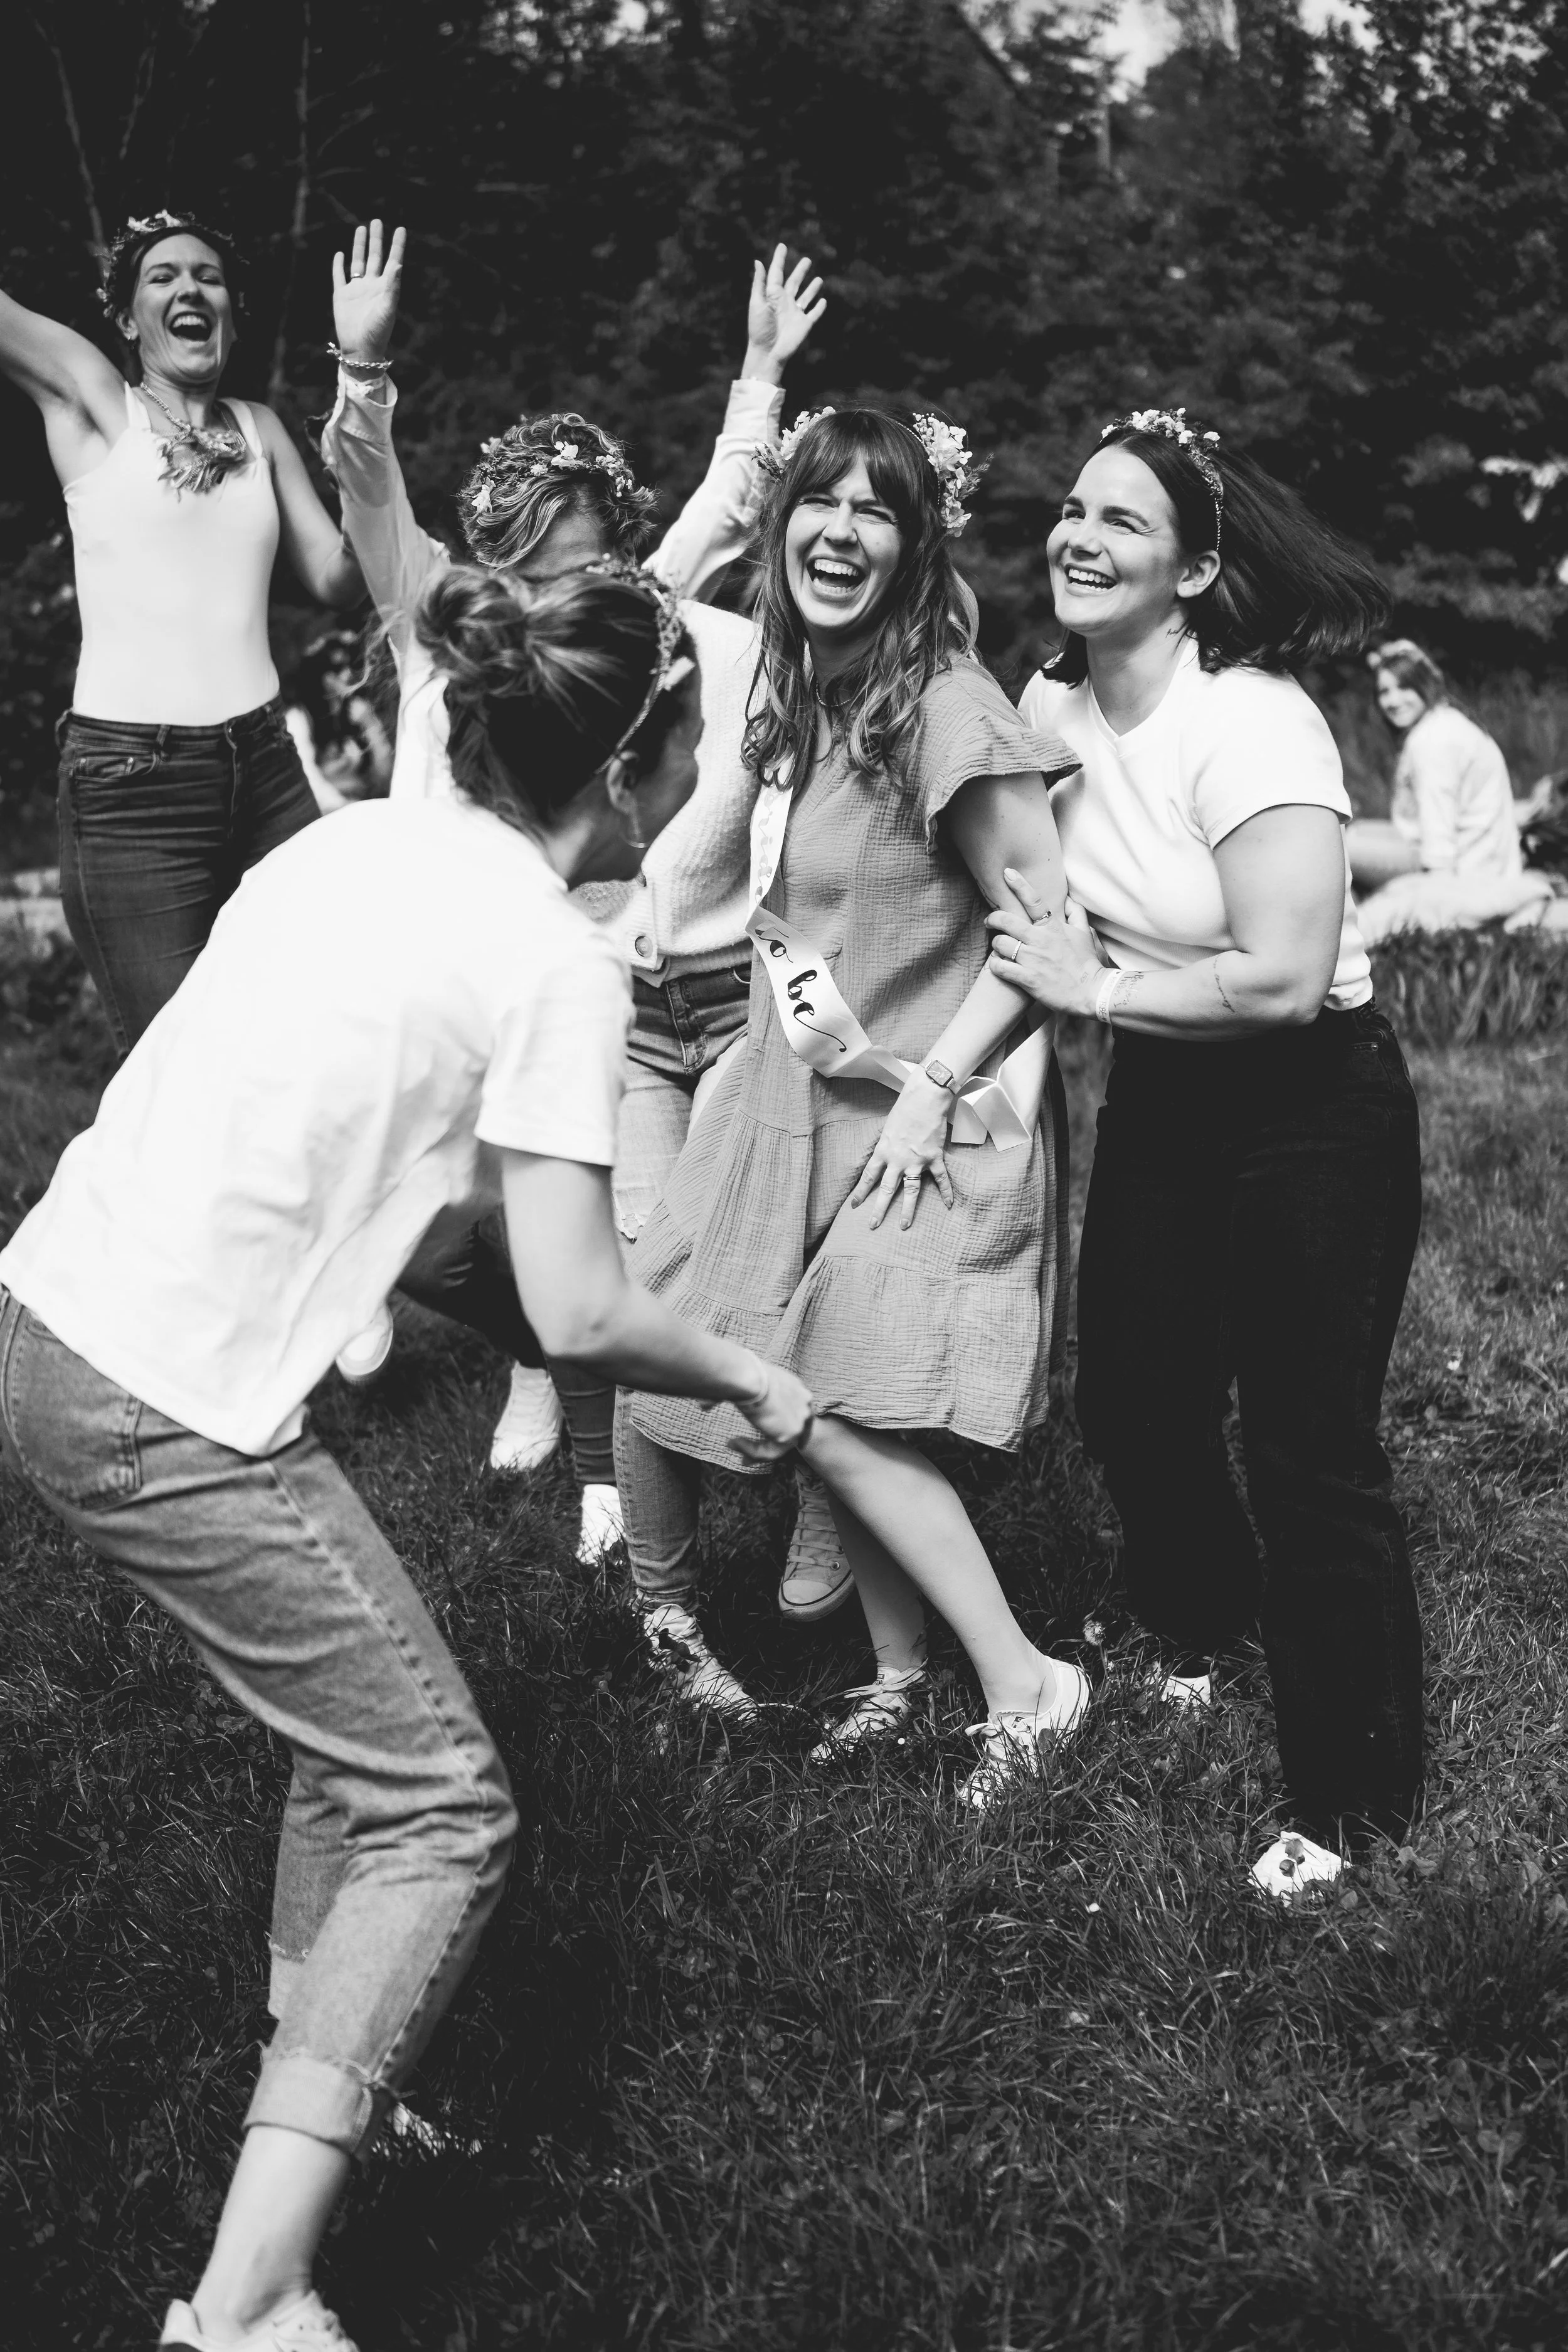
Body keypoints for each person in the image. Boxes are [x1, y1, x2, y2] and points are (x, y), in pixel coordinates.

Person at [0, 561, 813, 2352]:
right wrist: (747, 1367)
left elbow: (376, 1160)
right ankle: (250, 2292)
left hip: (50, 1310)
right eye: (702, 739)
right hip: (168, 1401)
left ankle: (330, 2060)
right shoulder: (554, 965)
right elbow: (585, 1309)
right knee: (444, 1801)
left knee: (345, 1726)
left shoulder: (350, 846)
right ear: (640, 764)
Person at [325, 220, 852, 1614]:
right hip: (468, 981)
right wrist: (363, 372)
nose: (571, 587)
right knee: (454, 1229)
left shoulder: (630, 625)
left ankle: (629, 1468)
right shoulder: (443, 630)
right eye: (538, 563)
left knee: (638, 1235)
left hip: (639, 986)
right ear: (492, 563)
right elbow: (371, 500)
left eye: (591, 557)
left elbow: (724, 510)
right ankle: (546, 1358)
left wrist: (756, 373)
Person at [620, 405, 1093, 1803]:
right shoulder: (809, 690)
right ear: (779, 527)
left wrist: (928, 1090)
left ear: (915, 538)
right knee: (814, 1385)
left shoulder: (944, 704)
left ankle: (1029, 1686)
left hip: (933, 1114)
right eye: (816, 503)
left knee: (839, 1408)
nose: (838, 532)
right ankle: (900, 1685)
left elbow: (1042, 929)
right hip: (808, 1094)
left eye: (873, 510)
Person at [995, 406, 1423, 1893]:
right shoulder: (1047, 714)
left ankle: (1350, 1800)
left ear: (1191, 570)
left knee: (1311, 1448)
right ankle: (1198, 1609)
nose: (1080, 533)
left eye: (1123, 518)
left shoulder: (1249, 718)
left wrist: (1094, 992)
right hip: (1176, 1096)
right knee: (1130, 1392)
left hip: (1316, 1096)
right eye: (1071, 507)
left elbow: (1287, 971)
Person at [0, 208, 364, 1054]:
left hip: (269, 772)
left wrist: (364, 386)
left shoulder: (260, 429)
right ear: (129, 320)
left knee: (322, 1030)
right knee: (184, 1073)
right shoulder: (96, 405)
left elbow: (339, 578)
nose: (189, 287)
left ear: (232, 314)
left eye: (207, 277)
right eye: (162, 277)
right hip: (135, 786)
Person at [1347, 637, 1552, 939]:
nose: (1392, 701)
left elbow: (1439, 839)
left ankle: (1342, 934)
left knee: (1336, 847)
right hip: (1473, 849)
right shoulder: (1444, 721)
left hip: (1464, 862)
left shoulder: (1433, 742)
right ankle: (1346, 913)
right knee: (1354, 829)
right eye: (1384, 692)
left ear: (1424, 685)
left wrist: (1436, 896)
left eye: (1404, 687)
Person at [282, 626, 393, 813]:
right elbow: (308, 780)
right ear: (320, 676)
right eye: (338, 668)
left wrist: (371, 726)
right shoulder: (298, 719)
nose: (348, 674)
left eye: (350, 665)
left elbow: (384, 777)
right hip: (325, 817)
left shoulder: (357, 712)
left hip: (362, 810)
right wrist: (345, 810)